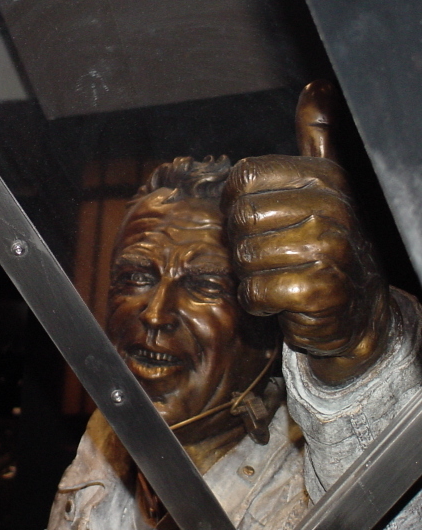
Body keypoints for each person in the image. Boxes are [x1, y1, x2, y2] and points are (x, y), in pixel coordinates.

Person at [48, 82, 422, 529]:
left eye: (204, 285)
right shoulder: (103, 444)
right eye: (136, 278)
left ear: (266, 330)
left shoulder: (308, 478)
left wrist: (359, 356)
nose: (154, 314)